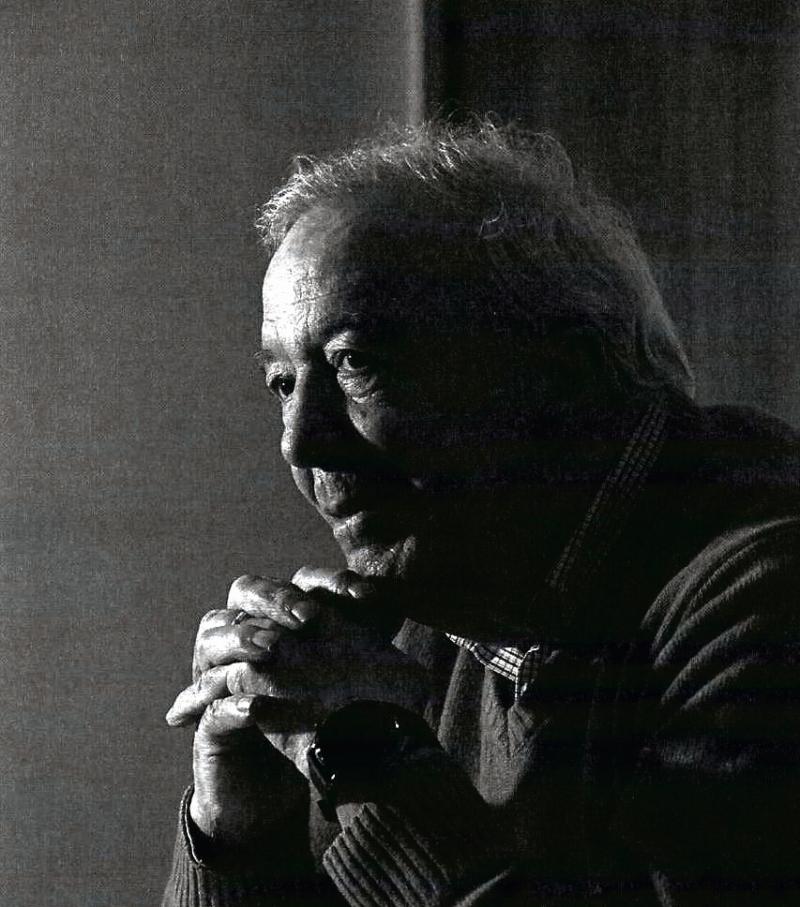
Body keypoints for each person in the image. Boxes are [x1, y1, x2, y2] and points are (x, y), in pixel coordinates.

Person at [162, 121, 800, 906]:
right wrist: (242, 839)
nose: (300, 442)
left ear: (558, 367)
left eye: (357, 362)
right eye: (283, 383)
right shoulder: (436, 604)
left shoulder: (769, 599)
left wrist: (372, 754)